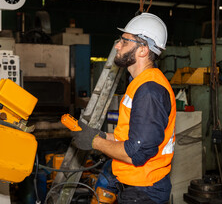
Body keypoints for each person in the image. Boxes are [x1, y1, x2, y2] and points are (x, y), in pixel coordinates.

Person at [72, 12, 176, 204]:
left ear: (143, 50)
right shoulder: (138, 83)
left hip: (143, 192)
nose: (117, 45)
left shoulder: (149, 91)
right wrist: (102, 136)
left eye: (124, 41)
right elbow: (131, 137)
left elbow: (136, 153)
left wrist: (94, 142)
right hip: (134, 185)